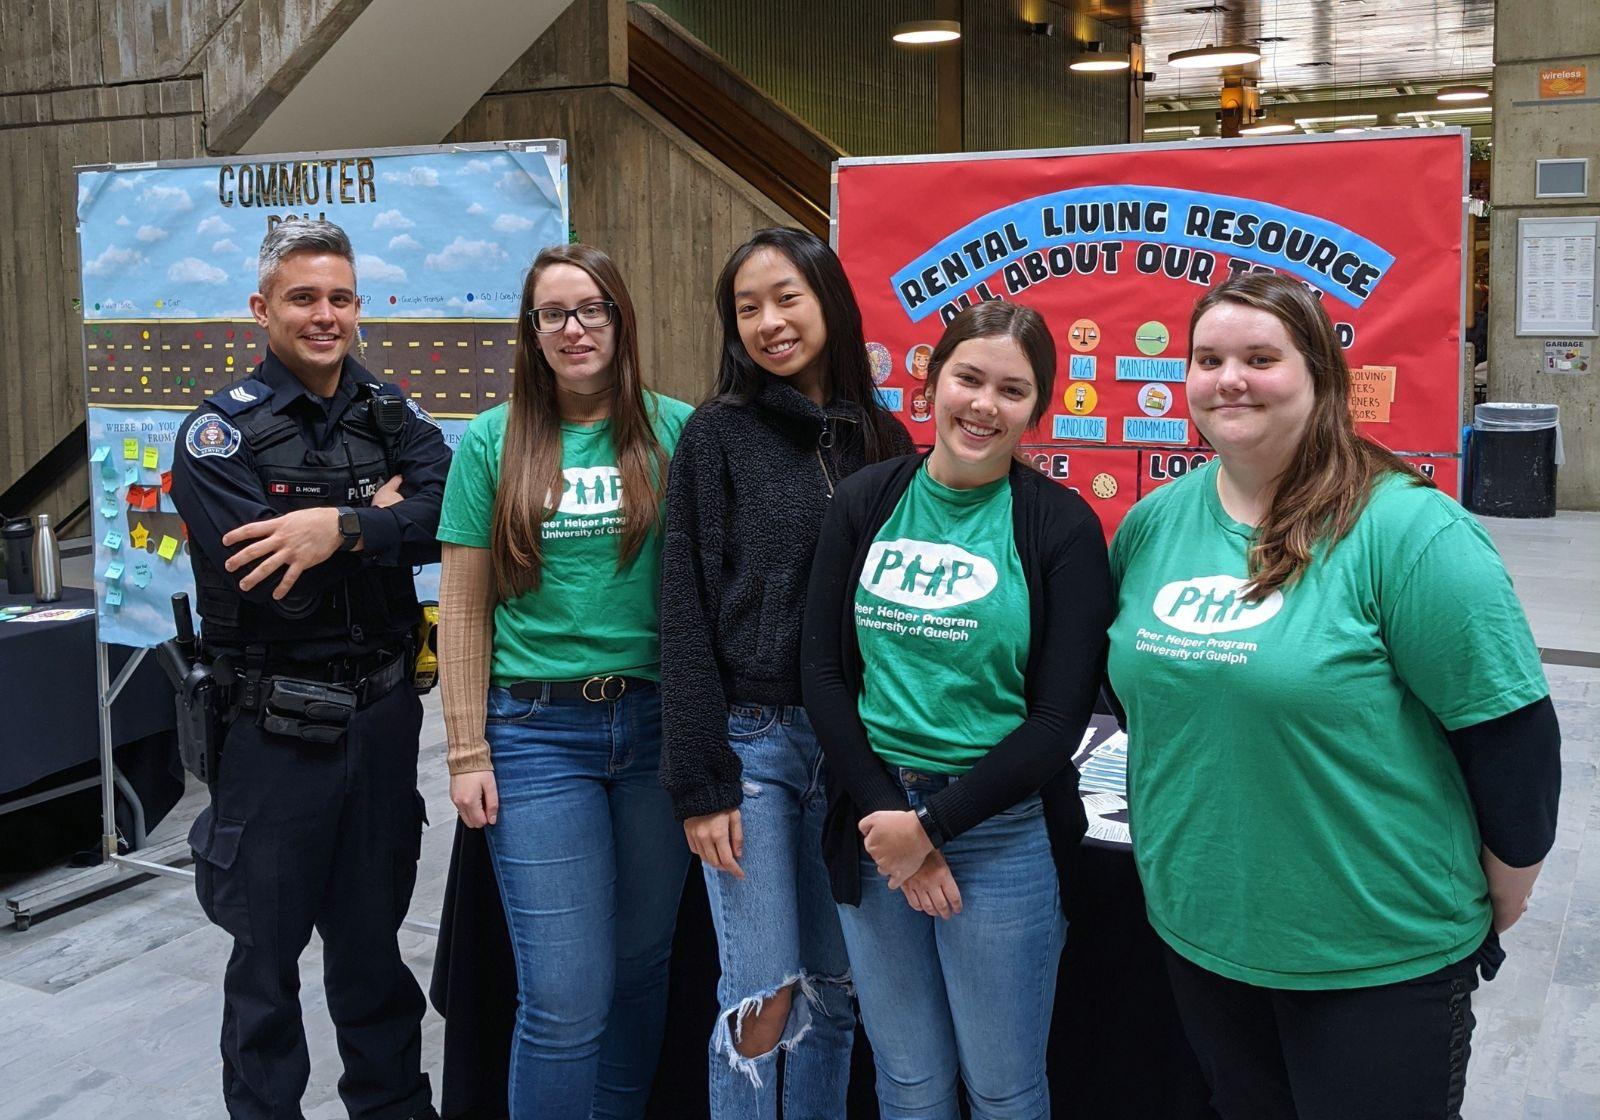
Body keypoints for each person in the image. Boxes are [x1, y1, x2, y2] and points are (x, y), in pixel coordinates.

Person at [1107, 272, 1561, 1120]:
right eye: (1209, 358)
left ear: (1320, 375)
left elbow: (1514, 735)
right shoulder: (1155, 522)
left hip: (1374, 953)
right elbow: (1151, 705)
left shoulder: (1409, 533)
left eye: (1259, 357)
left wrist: (1502, 888)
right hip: (1203, 935)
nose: (1228, 378)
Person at [800, 300, 1112, 1119]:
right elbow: (824, 678)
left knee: (1004, 1090)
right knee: (908, 1083)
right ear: (931, 382)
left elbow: (1057, 723)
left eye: (1012, 390)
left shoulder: (1061, 529)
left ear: (1037, 411)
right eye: (968, 377)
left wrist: (929, 830)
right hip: (871, 821)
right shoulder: (866, 501)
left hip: (1000, 835)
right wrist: (889, 823)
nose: (983, 403)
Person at [170, 219, 448, 1120]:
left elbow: (449, 512)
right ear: (262, 309)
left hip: (380, 720)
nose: (324, 315)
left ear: (358, 307)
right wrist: (380, 512)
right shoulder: (218, 434)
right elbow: (273, 587)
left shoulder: (393, 413)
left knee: (374, 954)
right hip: (273, 735)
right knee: (264, 966)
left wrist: (339, 527)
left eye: (339, 298)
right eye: (303, 298)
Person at [658, 226, 913, 1117]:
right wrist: (699, 781)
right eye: (747, 307)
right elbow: (682, 606)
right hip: (751, 748)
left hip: (853, 754)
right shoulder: (716, 434)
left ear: (829, 302)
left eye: (787, 298)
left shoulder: (884, 437)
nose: (769, 322)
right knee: (761, 996)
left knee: (838, 996)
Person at [437, 243, 695, 1120]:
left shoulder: (677, 431)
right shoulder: (490, 440)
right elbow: (463, 610)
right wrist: (464, 747)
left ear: (621, 319)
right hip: (536, 736)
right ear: (531, 332)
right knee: (564, 995)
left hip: (658, 728)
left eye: (592, 309)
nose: (574, 328)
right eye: (554, 313)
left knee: (640, 968)